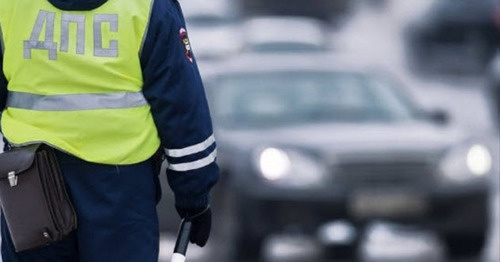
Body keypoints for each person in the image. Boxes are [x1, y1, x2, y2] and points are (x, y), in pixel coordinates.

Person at [0, 0, 220, 261]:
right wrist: (194, 195)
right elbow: (181, 102)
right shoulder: (147, 6)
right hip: (121, 187)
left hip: (30, 186)